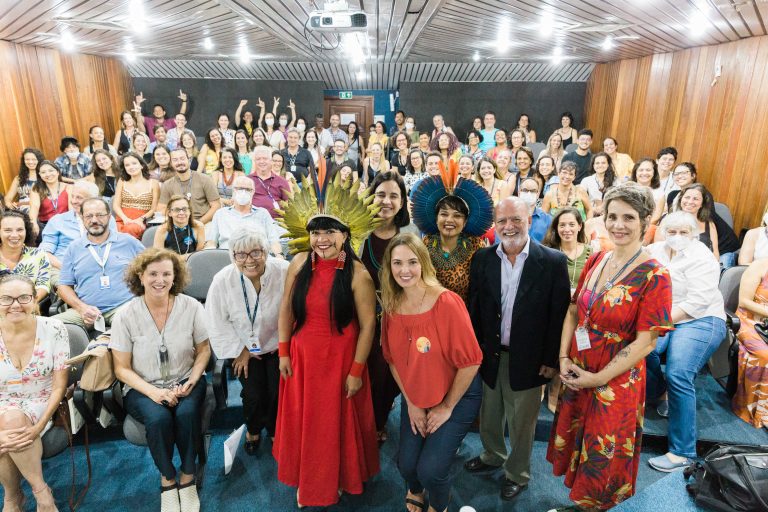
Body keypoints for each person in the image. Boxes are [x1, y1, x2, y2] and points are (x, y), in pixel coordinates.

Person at [547, 182, 673, 511]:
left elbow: (647, 342)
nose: (618, 225)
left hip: (614, 381)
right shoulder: (598, 258)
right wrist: (562, 356)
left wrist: (598, 378)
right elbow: (574, 311)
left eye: (629, 218)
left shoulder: (655, 274)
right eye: (612, 216)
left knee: (603, 457)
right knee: (579, 445)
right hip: (579, 368)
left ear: (645, 221)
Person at [273, 178, 380, 508]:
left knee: (334, 424)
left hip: (341, 360)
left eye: (330, 231)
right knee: (307, 422)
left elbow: (367, 326)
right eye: (317, 232)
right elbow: (286, 310)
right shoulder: (299, 263)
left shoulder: (358, 273)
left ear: (345, 235)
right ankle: (308, 479)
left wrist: (357, 370)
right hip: (303, 357)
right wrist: (283, 351)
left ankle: (339, 478)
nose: (322, 239)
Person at [463, 196, 569, 502]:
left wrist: (551, 360)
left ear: (530, 218)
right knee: (490, 412)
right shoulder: (482, 259)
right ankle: (492, 455)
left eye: (516, 220)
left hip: (531, 358)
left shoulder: (552, 261)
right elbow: (476, 309)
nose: (509, 227)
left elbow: (558, 314)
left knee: (522, 421)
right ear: (495, 224)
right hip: (491, 354)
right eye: (502, 221)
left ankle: (517, 472)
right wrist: (475, 350)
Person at [380, 233, 483, 512]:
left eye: (412, 262)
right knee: (406, 466)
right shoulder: (391, 306)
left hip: (456, 395)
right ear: (389, 267)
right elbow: (393, 360)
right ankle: (415, 490)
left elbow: (471, 362)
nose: (404, 270)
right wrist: (411, 403)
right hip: (417, 395)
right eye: (397, 263)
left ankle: (439, 502)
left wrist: (446, 406)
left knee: (431, 470)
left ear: (424, 263)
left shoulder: (446, 303)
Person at [111, 248, 211, 512]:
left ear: (175, 276)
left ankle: (187, 478)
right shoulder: (125, 315)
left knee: (186, 414)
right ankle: (167, 480)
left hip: (186, 379)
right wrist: (154, 393)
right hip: (143, 387)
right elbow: (121, 369)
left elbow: (204, 351)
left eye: (167, 273)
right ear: (140, 277)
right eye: (153, 274)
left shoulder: (191, 307)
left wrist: (192, 379)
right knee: (158, 419)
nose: (160, 280)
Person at [645, 211, 726, 471]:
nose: (677, 237)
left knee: (679, 372)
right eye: (672, 232)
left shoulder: (702, 257)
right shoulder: (654, 250)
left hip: (700, 319)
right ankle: (657, 392)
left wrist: (657, 325)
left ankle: (683, 452)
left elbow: (697, 302)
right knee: (642, 351)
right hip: (666, 316)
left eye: (683, 232)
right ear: (663, 232)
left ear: (694, 234)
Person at [206, 227, 289, 454]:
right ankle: (253, 429)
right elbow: (216, 321)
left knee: (276, 392)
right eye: (240, 255)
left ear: (266, 251)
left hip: (277, 346)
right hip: (243, 349)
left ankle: (273, 430)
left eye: (256, 252)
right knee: (252, 394)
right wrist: (240, 350)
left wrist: (286, 348)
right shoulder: (223, 280)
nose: (249, 260)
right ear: (233, 256)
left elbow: (295, 310)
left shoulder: (283, 271)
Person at [0, 274, 68, 512]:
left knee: (10, 422)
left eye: (23, 297)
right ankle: (40, 492)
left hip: (43, 401)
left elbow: (59, 385)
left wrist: (38, 427)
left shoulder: (54, 328)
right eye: (6, 299)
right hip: (2, 405)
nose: (15, 305)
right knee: (7, 423)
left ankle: (13, 498)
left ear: (34, 299)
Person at [359, 172, 412, 442]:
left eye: (394, 196)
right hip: (361, 319)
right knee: (364, 372)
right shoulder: (357, 234)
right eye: (381, 194)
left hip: (399, 320)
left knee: (386, 377)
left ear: (402, 202)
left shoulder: (411, 235)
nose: (386, 201)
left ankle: (379, 423)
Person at [54, 197, 145, 330]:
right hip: (85, 312)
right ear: (81, 218)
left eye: (100, 215)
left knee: (131, 326)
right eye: (89, 216)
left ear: (109, 217)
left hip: (124, 308)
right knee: (46, 327)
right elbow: (64, 287)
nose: (94, 220)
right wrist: (81, 308)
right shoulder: (73, 248)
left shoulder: (129, 242)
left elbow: (151, 271)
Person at [411, 160, 493, 304]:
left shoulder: (477, 247)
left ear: (465, 221)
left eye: (457, 215)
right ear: (436, 218)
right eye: (444, 214)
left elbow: (484, 291)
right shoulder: (425, 245)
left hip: (465, 317)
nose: (449, 220)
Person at [39, 181, 117, 282]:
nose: (73, 201)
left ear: (92, 200)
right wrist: (66, 268)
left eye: (79, 197)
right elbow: (44, 252)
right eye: (72, 196)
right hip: (62, 268)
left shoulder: (106, 219)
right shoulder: (57, 220)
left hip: (98, 268)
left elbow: (113, 246)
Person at [732, 257, 768, 428]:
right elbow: (744, 301)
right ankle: (758, 411)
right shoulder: (760, 265)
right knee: (764, 355)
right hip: (752, 320)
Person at [206, 176, 282, 253]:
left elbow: (274, 241)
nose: (243, 192)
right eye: (240, 189)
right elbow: (211, 241)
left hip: (257, 258)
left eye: (248, 189)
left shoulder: (263, 214)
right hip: (228, 257)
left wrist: (279, 256)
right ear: (233, 190)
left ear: (253, 192)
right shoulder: (221, 214)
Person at [159, 149, 221, 225]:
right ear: (171, 163)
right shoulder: (167, 184)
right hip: (178, 224)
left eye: (182, 158)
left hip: (204, 223)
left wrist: (198, 223)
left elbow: (216, 206)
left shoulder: (205, 179)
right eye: (175, 160)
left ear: (189, 160)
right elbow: (162, 208)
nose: (179, 162)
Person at [656, 183, 719, 258]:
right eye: (687, 197)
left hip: (702, 266)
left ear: (702, 203)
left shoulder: (709, 224)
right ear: (681, 199)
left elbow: (715, 254)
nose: (690, 201)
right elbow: (659, 251)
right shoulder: (666, 221)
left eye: (696, 199)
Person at [0, 211, 51, 302]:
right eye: (8, 230)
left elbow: (43, 285)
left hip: (28, 308)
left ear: (26, 231)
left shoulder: (39, 255)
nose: (15, 235)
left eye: (20, 230)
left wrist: (30, 303)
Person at [113, 152, 160, 240]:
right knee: (110, 229)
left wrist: (141, 219)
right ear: (125, 168)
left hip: (143, 219)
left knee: (131, 229)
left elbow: (154, 208)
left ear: (142, 165)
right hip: (122, 219)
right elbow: (116, 205)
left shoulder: (153, 183)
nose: (131, 167)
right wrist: (125, 219)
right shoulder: (122, 181)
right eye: (127, 165)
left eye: (134, 163)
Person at [29, 161, 71, 236]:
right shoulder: (36, 189)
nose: (48, 174)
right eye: (43, 172)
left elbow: (72, 210)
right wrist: (33, 223)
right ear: (40, 175)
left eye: (51, 170)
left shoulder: (69, 187)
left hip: (67, 224)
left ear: (58, 172)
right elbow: (34, 207)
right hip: (46, 225)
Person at [249, 146, 291, 219]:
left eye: (265, 158)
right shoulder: (247, 181)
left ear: (271, 161)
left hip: (276, 223)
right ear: (254, 161)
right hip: (253, 221)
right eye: (258, 159)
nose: (262, 161)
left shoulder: (282, 181)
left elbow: (289, 204)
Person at [518, 177, 551, 243]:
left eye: (533, 191)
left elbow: (551, 245)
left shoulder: (547, 219)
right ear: (519, 192)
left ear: (538, 194)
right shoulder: (507, 217)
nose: (529, 193)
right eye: (525, 190)